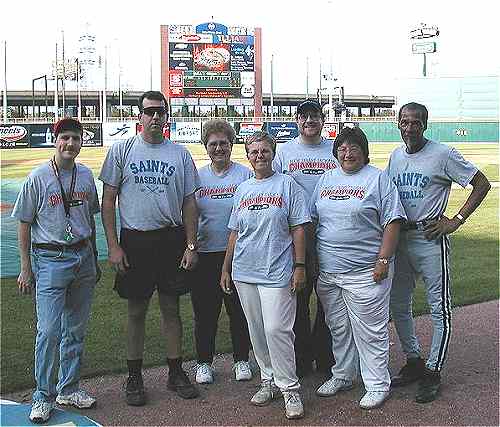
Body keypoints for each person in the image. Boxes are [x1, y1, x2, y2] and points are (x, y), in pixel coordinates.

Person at [99, 91, 201, 406]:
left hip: (171, 239)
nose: (155, 117)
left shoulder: (180, 154)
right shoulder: (122, 150)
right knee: (136, 311)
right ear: (139, 117)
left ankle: (175, 371)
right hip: (136, 240)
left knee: (172, 309)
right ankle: (134, 376)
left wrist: (191, 244)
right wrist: (114, 246)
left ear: (167, 117)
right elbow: (108, 202)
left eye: (160, 112)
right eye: (149, 112)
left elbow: (189, 203)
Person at [387, 102, 491, 403]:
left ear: (425, 124)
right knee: (399, 305)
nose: (409, 128)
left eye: (415, 122)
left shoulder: (442, 154)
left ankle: (433, 370)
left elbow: (481, 183)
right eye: (404, 122)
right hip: (401, 239)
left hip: (429, 237)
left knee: (439, 307)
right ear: (398, 123)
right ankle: (414, 360)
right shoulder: (395, 156)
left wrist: (456, 220)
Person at [310, 126, 406, 409]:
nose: (347, 152)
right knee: (338, 328)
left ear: (364, 151)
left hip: (366, 271)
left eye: (353, 147)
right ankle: (344, 374)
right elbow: (315, 219)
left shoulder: (378, 179)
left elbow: (393, 222)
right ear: (335, 152)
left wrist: (383, 260)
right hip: (329, 271)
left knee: (371, 330)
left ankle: (377, 383)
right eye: (342, 148)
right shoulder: (326, 179)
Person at [12, 118, 100, 423]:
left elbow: (89, 219)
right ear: (55, 140)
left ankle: (69, 387)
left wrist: (94, 258)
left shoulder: (86, 176)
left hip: (82, 257)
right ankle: (43, 395)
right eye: (65, 138)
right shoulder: (38, 177)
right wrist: (25, 267)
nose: (70, 144)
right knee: (49, 331)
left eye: (76, 138)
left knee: (75, 330)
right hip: (49, 259)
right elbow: (24, 223)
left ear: (81, 142)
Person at [220, 131, 310, 420]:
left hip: (278, 270)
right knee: (257, 330)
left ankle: (290, 388)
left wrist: (300, 265)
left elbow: (298, 228)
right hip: (244, 270)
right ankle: (268, 380)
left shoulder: (288, 185)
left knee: (277, 329)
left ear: (273, 153)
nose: (259, 156)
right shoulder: (243, 189)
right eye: (254, 152)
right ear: (247, 155)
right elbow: (234, 232)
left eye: (265, 151)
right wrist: (225, 267)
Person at [272, 99, 336, 376]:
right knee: (298, 298)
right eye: (304, 116)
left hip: (329, 234)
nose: (309, 121)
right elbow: (272, 185)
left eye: (314, 116)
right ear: (297, 120)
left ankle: (325, 355)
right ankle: (300, 357)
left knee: (327, 298)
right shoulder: (284, 152)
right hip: (295, 235)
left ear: (322, 120)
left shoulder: (335, 149)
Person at [191, 119, 253, 384]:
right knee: (205, 313)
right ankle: (204, 362)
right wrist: (191, 246)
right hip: (206, 254)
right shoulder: (198, 177)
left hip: (239, 255)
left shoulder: (245, 175)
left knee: (239, 311)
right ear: (206, 147)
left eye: (224, 143)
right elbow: (190, 215)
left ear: (232, 144)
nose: (219, 148)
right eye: (213, 144)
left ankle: (241, 360)